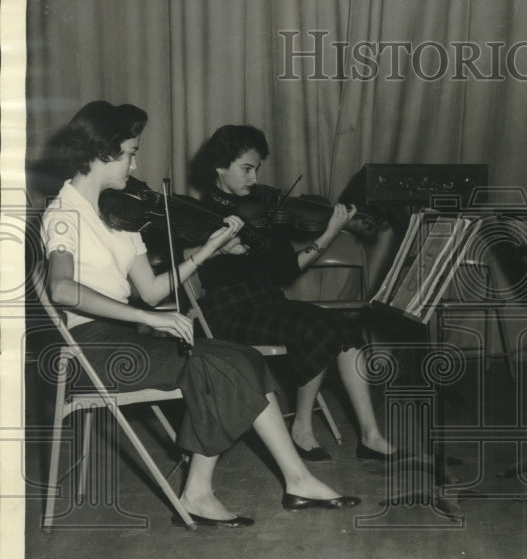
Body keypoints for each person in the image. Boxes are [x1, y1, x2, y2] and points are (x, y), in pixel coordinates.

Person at [40, 101, 360, 528]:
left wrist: (207, 250)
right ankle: (201, 493)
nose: (136, 163)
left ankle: (290, 481)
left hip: (127, 340)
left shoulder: (118, 212)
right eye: (131, 152)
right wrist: (154, 321)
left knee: (242, 357)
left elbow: (153, 292)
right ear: (103, 153)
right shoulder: (63, 214)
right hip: (91, 351)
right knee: (218, 364)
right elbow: (62, 289)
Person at [190, 125, 395, 463]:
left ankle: (370, 435)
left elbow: (287, 269)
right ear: (220, 166)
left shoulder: (262, 211)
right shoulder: (199, 214)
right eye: (247, 168)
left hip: (268, 304)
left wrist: (330, 232)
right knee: (316, 325)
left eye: (257, 169)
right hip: (228, 312)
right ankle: (302, 427)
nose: (255, 178)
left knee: (345, 328)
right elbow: (179, 260)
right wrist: (215, 247)